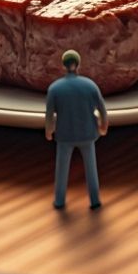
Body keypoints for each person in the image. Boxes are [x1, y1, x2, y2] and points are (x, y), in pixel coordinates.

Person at [44, 49, 108, 210]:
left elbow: (49, 114)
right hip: (88, 133)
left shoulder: (55, 88)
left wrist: (49, 131)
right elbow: (102, 109)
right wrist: (103, 126)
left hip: (65, 135)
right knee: (91, 169)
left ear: (63, 65)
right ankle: (94, 200)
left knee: (62, 170)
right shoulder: (90, 85)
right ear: (78, 64)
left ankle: (59, 201)